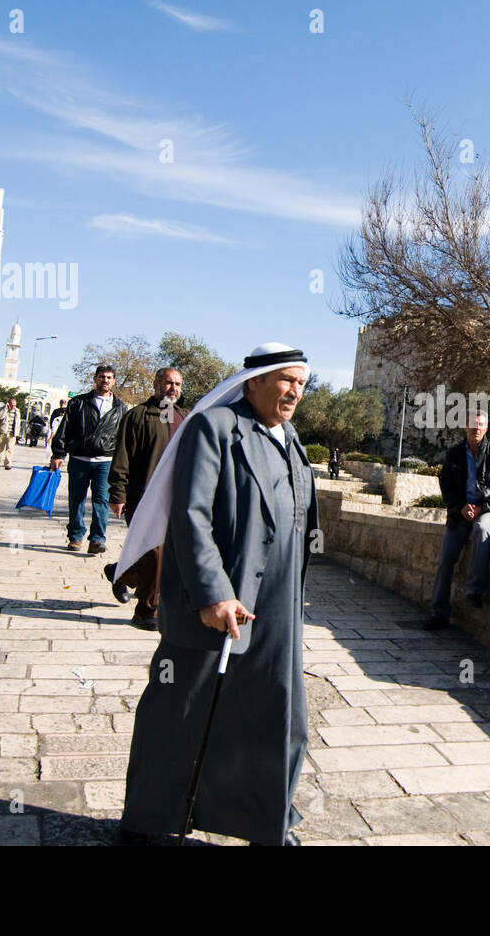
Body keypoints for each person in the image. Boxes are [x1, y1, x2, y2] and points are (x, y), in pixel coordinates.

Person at [115, 342, 317, 846]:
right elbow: (191, 517)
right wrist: (213, 594)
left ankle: (267, 821)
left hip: (278, 608)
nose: (295, 391)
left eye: (302, 383)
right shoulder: (215, 429)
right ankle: (147, 823)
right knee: (182, 712)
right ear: (254, 382)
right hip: (218, 605)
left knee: (277, 713)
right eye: (286, 380)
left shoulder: (293, 442)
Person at [105, 367, 187, 631]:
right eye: (167, 383)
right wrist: (117, 494)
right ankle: (146, 611)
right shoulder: (137, 416)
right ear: (156, 384)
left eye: (177, 384)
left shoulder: (184, 418)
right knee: (154, 553)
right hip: (142, 498)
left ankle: (121, 572)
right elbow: (122, 458)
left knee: (164, 554)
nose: (173, 388)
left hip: (174, 499)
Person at [426, 410, 490, 630]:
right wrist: (461, 507)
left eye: (481, 425)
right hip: (460, 512)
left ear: (486, 428)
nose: (476, 428)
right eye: (473, 424)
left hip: (488, 509)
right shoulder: (454, 454)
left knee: (482, 529)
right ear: (465, 426)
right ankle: (438, 613)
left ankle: (475, 590)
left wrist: (482, 507)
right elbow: (446, 486)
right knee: (446, 558)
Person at [51, 366, 127, 555]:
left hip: (105, 461)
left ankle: (97, 539)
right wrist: (58, 454)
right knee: (76, 499)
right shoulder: (78, 403)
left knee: (102, 500)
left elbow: (123, 437)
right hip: (79, 459)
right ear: (95, 378)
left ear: (114, 381)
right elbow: (65, 429)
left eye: (109, 377)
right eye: (102, 376)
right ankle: (75, 537)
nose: (105, 380)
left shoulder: (120, 407)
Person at [0, 398, 20, 470]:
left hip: (11, 433)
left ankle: (8, 464)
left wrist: (17, 433)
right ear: (8, 404)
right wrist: (5, 409)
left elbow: (18, 422)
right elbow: (0, 416)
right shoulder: (1, 409)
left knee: (10, 449)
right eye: (11, 405)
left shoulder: (17, 411)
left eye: (14, 405)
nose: (13, 407)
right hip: (2, 432)